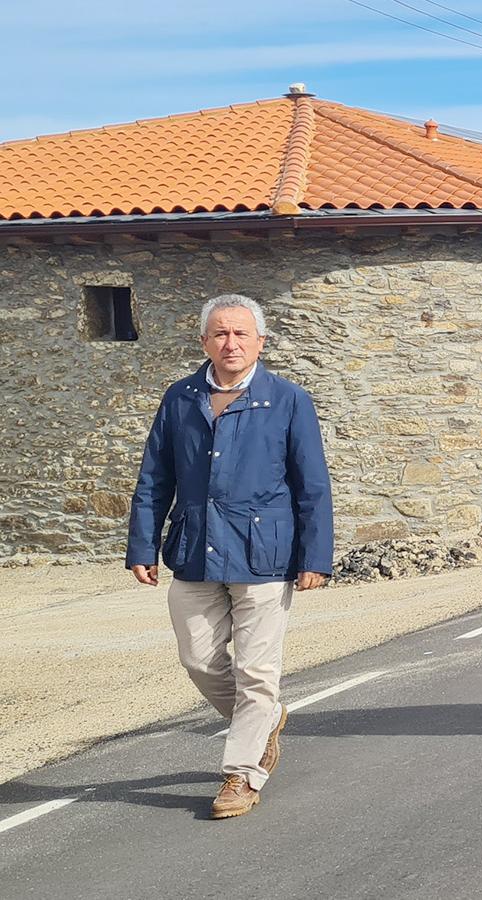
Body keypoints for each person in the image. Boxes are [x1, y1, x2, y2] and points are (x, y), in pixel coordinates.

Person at [126, 294, 333, 819]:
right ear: (204, 342)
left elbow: (312, 486)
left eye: (241, 333)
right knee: (198, 658)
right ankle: (263, 720)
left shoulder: (288, 399)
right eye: (220, 333)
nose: (231, 343)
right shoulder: (179, 398)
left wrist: (316, 556)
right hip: (194, 549)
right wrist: (141, 545)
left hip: (264, 554)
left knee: (257, 672)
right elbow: (154, 479)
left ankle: (241, 774)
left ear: (261, 341)